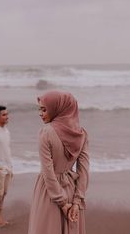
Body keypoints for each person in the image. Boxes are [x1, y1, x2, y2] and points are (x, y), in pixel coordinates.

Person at [28, 91, 89, 234]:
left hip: (49, 191)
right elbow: (84, 170)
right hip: (72, 189)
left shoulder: (46, 133)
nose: (40, 113)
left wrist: (62, 203)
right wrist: (76, 201)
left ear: (57, 109)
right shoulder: (82, 134)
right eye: (39, 109)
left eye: (44, 109)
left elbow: (48, 172)